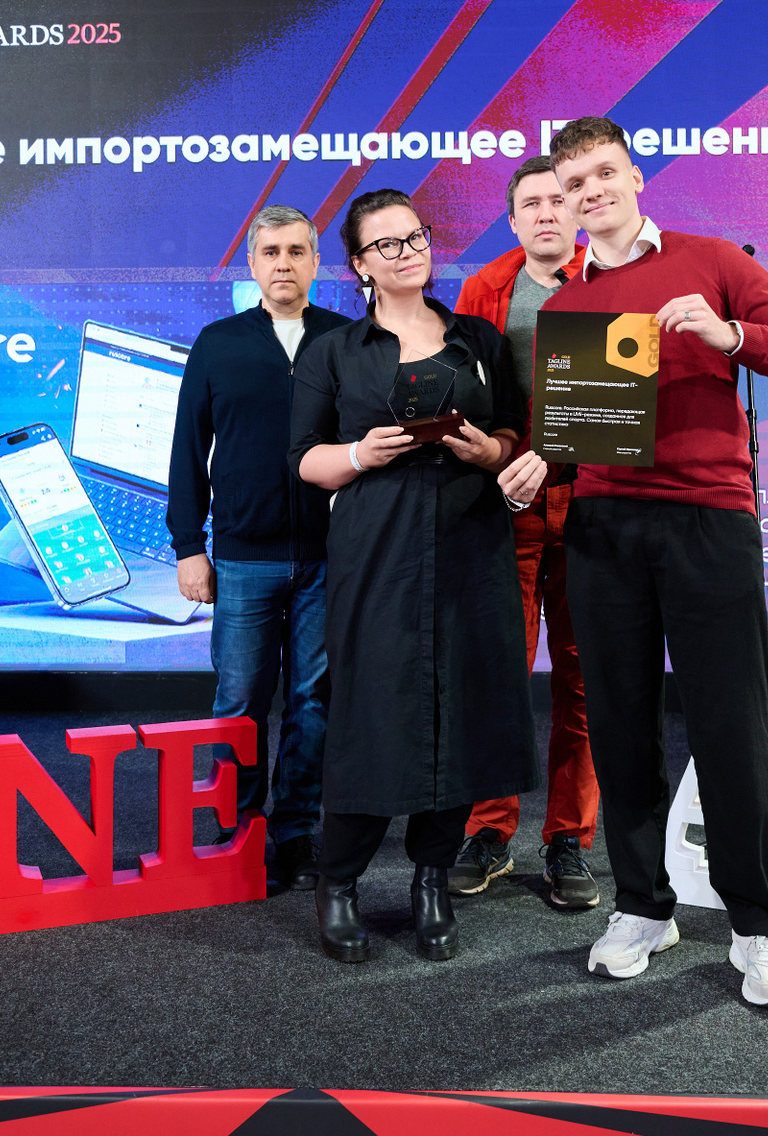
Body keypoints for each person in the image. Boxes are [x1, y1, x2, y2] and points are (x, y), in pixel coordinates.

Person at [509, 117, 768, 1009]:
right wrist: (541, 460)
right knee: (619, 728)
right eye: (573, 185)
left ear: (635, 176)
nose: (590, 193)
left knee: (731, 729)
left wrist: (731, 335)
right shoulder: (566, 307)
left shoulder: (713, 261)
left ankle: (759, 926)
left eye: (603, 174)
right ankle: (643, 907)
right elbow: (575, 435)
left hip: (708, 522)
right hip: (603, 531)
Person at [289, 188, 539, 964]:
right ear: (359, 264)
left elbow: (512, 434)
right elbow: (305, 459)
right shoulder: (334, 350)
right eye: (388, 245)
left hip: (472, 542)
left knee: (461, 711)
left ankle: (432, 881)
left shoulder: (478, 339)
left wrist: (488, 451)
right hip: (377, 548)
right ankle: (340, 883)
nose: (409, 253)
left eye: (417, 237)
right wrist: (361, 452)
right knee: (370, 714)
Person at [167, 205, 350, 892]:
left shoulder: (345, 340)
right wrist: (189, 546)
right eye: (271, 252)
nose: (283, 264)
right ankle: (236, 829)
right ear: (252, 263)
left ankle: (296, 831)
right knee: (239, 697)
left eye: (297, 251)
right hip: (243, 557)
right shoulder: (218, 343)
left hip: (328, 557)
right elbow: (187, 451)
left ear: (316, 262)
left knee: (312, 701)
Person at [446, 156, 598, 908]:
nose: (545, 212)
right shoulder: (483, 290)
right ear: (512, 220)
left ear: (577, 211)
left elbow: (623, 404)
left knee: (584, 681)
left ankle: (569, 838)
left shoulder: (608, 280)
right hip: (506, 508)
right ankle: (489, 830)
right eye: (530, 203)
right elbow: (468, 398)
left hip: (593, 507)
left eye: (557, 199)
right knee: (498, 675)